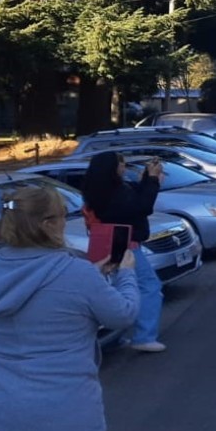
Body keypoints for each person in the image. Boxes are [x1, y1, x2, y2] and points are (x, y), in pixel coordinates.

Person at [0, 186, 139, 431]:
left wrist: (92, 276)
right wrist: (126, 274)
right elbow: (123, 314)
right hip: (63, 417)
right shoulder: (76, 273)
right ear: (48, 224)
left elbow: (50, 290)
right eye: (63, 214)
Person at [81, 151, 167, 353]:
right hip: (124, 244)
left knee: (116, 290)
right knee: (149, 287)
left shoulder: (101, 190)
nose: (124, 167)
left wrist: (148, 177)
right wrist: (153, 179)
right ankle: (144, 336)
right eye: (121, 164)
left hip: (110, 242)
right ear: (112, 168)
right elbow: (142, 206)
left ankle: (115, 336)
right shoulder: (116, 192)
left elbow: (138, 195)